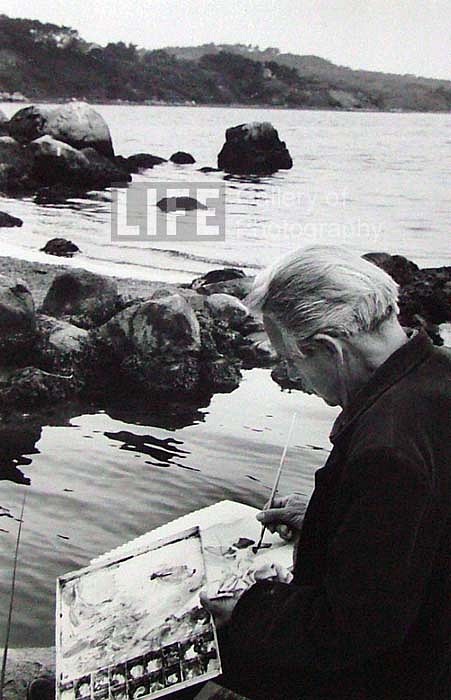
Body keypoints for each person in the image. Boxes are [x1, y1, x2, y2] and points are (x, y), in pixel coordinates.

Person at [201, 245, 451, 700]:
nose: (292, 375)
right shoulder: (437, 375)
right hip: (432, 644)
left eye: (292, 361)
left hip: (404, 676)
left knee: (193, 647)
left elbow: (353, 630)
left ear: (332, 350)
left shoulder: (388, 449)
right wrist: (328, 515)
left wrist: (249, 610)